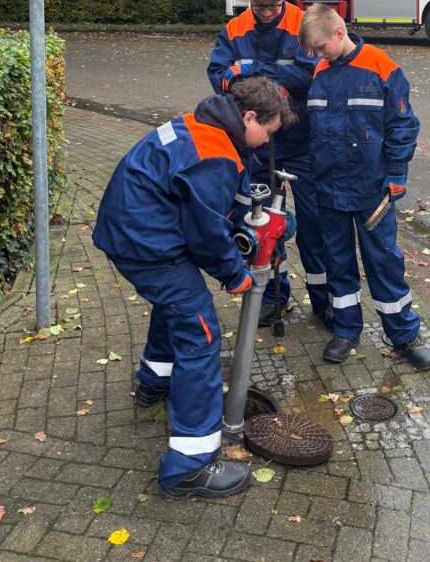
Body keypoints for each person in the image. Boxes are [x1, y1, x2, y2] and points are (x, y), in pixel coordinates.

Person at [92, 77, 294, 499]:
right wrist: (235, 275)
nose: (265, 141)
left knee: (176, 306)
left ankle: (155, 381)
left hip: (130, 230)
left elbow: (204, 201)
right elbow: (205, 233)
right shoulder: (215, 153)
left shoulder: (201, 125)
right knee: (200, 332)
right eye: (267, 131)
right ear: (249, 117)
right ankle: (189, 466)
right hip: (148, 246)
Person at [298, 3, 430, 371]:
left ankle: (404, 336)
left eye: (320, 47)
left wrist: (397, 175)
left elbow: (403, 125)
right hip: (329, 189)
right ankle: (346, 330)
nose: (317, 55)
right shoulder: (321, 73)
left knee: (384, 262)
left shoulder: (380, 66)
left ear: (338, 32)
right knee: (337, 261)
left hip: (371, 189)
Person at [207, 0, 330, 330]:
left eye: (273, 6)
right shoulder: (234, 29)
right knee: (260, 223)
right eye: (258, 5)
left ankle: (323, 300)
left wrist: (254, 71)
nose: (265, 12)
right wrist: (252, 80)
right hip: (258, 144)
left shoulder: (302, 24)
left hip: (301, 139)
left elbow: (311, 73)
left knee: (314, 224)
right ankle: (273, 297)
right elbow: (219, 75)